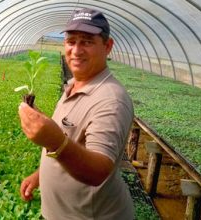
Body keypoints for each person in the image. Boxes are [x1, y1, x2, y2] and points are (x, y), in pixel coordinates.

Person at [18, 8, 135, 220]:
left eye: (87, 42)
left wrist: (55, 142)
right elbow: (70, 137)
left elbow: (99, 170)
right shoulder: (73, 85)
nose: (76, 50)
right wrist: (40, 176)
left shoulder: (111, 100)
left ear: (107, 46)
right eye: (71, 41)